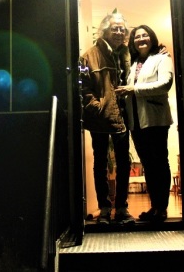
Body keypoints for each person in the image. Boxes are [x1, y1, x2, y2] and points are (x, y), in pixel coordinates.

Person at [79, 12, 135, 225]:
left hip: (124, 117)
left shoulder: (128, 53)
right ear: (104, 31)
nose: (119, 32)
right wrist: (97, 107)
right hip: (101, 118)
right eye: (115, 28)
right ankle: (104, 209)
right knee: (100, 163)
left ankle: (121, 208)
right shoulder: (89, 55)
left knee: (123, 163)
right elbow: (83, 87)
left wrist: (160, 49)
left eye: (122, 28)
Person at [115, 25, 174, 223]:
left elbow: (165, 84)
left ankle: (162, 208)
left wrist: (135, 88)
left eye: (145, 35)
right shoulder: (131, 63)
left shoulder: (162, 58)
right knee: (148, 165)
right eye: (137, 37)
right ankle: (154, 207)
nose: (141, 39)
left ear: (152, 38)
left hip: (156, 119)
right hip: (136, 122)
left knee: (159, 162)